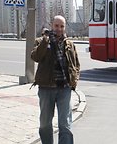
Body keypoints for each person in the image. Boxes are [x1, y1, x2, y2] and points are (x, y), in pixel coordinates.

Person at [31, 15, 80, 144]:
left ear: (64, 28)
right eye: (56, 26)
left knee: (65, 124)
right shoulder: (41, 41)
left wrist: (73, 82)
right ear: (52, 25)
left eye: (62, 26)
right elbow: (35, 57)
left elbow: (76, 64)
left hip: (64, 89)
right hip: (46, 89)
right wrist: (45, 41)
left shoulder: (69, 44)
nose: (59, 29)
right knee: (45, 124)